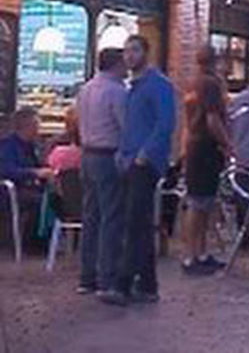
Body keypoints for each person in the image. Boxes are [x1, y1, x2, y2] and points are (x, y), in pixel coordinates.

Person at [103, 35, 176, 306]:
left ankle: (122, 285)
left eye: (134, 50)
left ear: (146, 52)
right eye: (126, 51)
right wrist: (123, 154)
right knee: (139, 223)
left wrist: (145, 154)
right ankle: (147, 284)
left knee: (135, 223)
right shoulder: (132, 87)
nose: (129, 56)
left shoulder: (158, 85)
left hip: (144, 164)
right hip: (128, 160)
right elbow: (131, 126)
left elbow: (165, 123)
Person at [75, 48, 129, 296]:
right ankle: (107, 278)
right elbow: (125, 126)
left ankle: (87, 277)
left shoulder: (85, 89)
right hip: (108, 156)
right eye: (124, 62)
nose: (127, 67)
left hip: (87, 155)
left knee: (91, 216)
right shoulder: (117, 91)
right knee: (111, 218)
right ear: (117, 65)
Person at [180, 47, 233, 276]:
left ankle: (199, 253)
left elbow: (188, 120)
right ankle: (193, 255)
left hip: (194, 145)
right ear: (217, 61)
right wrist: (227, 144)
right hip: (206, 148)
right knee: (200, 203)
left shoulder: (192, 83)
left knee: (201, 202)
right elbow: (212, 119)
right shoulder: (211, 84)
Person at [0, 109, 53, 250]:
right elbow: (6, 170)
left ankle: (48, 241)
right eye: (36, 126)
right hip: (9, 191)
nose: (38, 131)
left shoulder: (32, 147)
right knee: (41, 202)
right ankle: (33, 244)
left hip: (29, 187)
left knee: (54, 197)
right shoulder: (7, 146)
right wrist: (34, 173)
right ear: (26, 127)